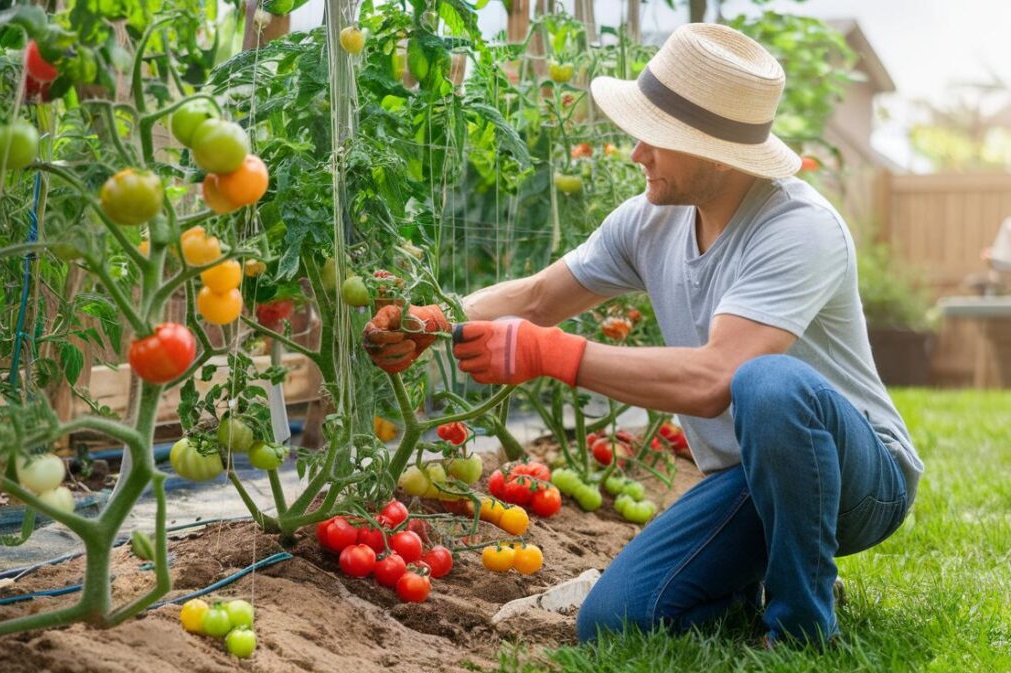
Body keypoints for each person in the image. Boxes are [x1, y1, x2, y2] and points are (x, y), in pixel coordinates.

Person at [363, 23, 923, 646]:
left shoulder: (799, 229)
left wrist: (550, 353)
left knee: (768, 383)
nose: (636, 153)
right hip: (745, 479)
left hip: (856, 480)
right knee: (617, 621)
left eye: (656, 138)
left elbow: (717, 380)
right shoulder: (651, 219)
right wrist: (436, 319)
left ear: (715, 151)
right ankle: (756, 575)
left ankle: (801, 622)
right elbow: (541, 295)